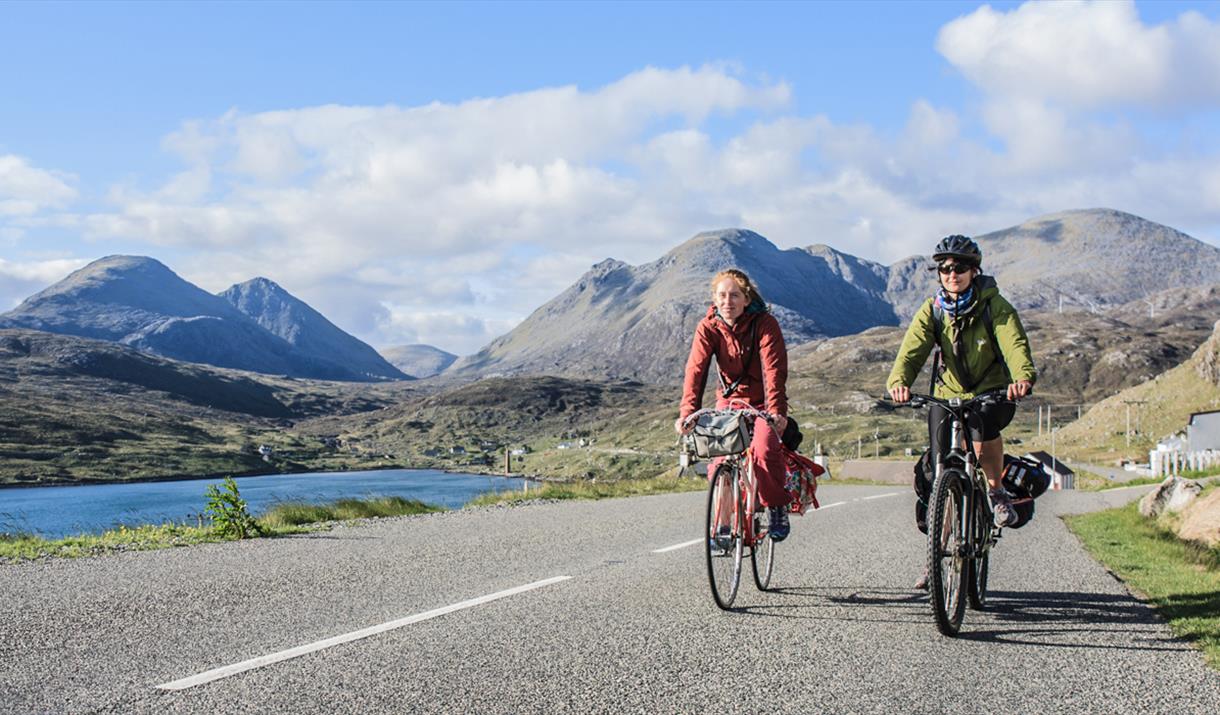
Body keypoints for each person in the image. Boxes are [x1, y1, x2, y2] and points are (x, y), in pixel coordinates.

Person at [886, 235, 1036, 587]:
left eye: (961, 268)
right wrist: (899, 381)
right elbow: (912, 350)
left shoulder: (993, 304)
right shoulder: (933, 309)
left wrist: (1022, 377)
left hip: (990, 391)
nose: (953, 274)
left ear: (974, 270)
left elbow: (1013, 343)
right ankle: (935, 554)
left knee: (984, 428)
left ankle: (996, 491)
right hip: (947, 394)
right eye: (946, 269)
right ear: (939, 273)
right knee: (941, 472)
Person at [676, 268, 793, 541]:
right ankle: (723, 524)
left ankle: (777, 507)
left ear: (746, 298)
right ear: (714, 299)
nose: (727, 301)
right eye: (722, 295)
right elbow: (695, 371)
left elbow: (774, 370)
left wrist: (776, 411)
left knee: (764, 449)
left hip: (762, 402)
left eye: (734, 295)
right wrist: (687, 413)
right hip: (728, 402)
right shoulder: (708, 327)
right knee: (719, 463)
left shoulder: (765, 323)